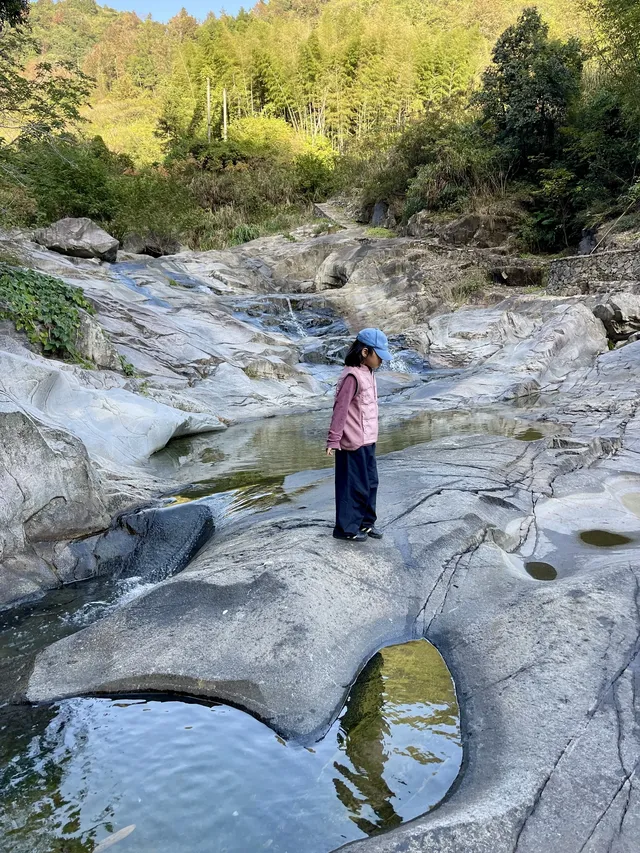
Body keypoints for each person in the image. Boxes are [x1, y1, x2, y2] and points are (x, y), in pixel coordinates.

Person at [326, 328, 392, 541]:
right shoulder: (352, 376)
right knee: (352, 485)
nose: (381, 360)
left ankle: (365, 524)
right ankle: (346, 529)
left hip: (368, 439)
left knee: (370, 483)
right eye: (378, 355)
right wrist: (334, 439)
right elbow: (340, 409)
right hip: (352, 441)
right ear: (365, 352)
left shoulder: (368, 373)